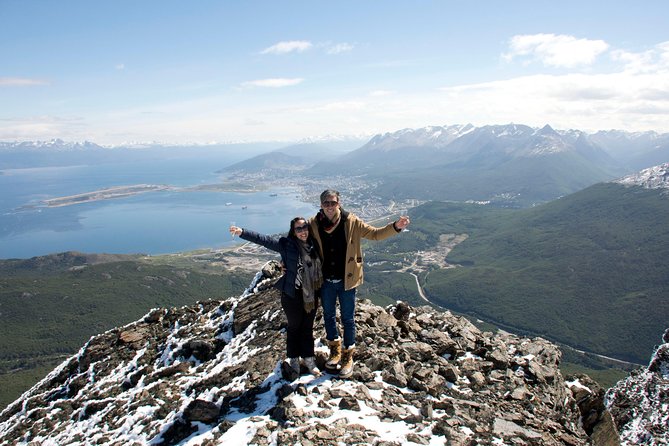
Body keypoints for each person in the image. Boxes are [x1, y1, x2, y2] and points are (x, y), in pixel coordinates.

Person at [308, 189, 410, 378]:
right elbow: (298, 240)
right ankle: (335, 352)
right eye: (326, 203)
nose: (330, 206)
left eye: (333, 202)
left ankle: (348, 356)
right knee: (329, 316)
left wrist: (396, 226)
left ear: (339, 203)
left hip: (347, 280)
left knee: (348, 319)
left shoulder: (351, 221)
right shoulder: (314, 224)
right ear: (321, 205)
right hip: (326, 281)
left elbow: (375, 234)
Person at [229, 217, 323, 376]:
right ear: (293, 231)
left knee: (307, 328)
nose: (302, 231)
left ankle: (309, 360)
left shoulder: (316, 245)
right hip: (291, 295)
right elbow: (264, 240)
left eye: (304, 227)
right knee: (294, 328)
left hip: (311, 295)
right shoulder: (287, 245)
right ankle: (293, 359)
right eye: (298, 229)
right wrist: (242, 232)